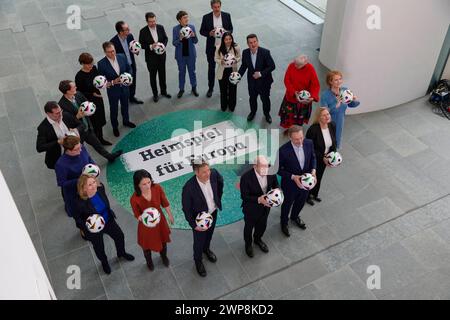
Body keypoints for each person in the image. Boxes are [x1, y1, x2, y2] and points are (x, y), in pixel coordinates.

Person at [75, 174, 135, 274]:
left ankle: (121, 253)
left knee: (119, 236)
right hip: (94, 229)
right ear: (83, 188)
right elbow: (78, 219)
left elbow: (106, 205)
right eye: (90, 185)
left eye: (94, 182)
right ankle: (104, 261)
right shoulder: (79, 202)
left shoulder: (100, 188)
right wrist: (88, 225)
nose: (94, 186)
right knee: (99, 247)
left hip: (108, 220)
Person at [58, 80, 122, 162]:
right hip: (76, 134)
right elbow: (66, 123)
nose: (76, 88)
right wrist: (77, 116)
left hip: (87, 127)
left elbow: (87, 103)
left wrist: (90, 110)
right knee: (77, 151)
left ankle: (110, 157)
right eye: (74, 87)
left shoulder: (78, 94)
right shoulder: (62, 105)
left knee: (97, 145)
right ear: (67, 91)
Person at [182, 161, 223, 277]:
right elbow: (186, 209)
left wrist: (217, 199)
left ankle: (206, 250)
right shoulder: (188, 188)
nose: (208, 173)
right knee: (199, 241)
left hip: (213, 213)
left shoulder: (214, 174)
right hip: (199, 221)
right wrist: (194, 225)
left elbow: (220, 183)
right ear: (196, 172)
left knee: (209, 235)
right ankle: (198, 261)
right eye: (204, 172)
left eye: (208, 170)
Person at [130, 170, 174, 271]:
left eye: (149, 182)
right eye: (144, 184)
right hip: (146, 224)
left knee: (163, 241)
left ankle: (164, 257)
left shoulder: (157, 188)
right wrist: (143, 218)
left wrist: (170, 215)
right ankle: (149, 262)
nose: (148, 186)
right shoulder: (134, 199)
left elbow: (165, 202)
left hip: (160, 221)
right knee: (146, 246)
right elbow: (137, 214)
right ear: (138, 185)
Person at [277, 125, 316, 237]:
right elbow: (277, 169)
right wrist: (293, 177)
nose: (300, 141)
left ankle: (294, 217)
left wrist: (313, 171)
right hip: (290, 185)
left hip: (306, 182)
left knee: (301, 201)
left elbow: (313, 157)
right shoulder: (283, 151)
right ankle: (283, 223)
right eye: (296, 139)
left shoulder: (309, 143)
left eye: (301, 138)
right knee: (287, 204)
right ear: (290, 137)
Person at [55, 135, 95, 236]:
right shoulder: (61, 164)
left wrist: (94, 166)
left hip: (88, 189)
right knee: (80, 215)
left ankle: (94, 224)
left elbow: (89, 159)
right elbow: (62, 183)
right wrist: (80, 180)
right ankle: (83, 229)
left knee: (92, 208)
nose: (80, 150)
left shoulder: (82, 148)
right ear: (68, 150)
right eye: (77, 149)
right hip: (74, 194)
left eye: (80, 147)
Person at [240, 156, 279, 258]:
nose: (265, 169)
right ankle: (248, 245)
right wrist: (259, 199)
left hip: (266, 207)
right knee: (248, 228)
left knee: (262, 225)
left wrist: (278, 195)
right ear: (254, 166)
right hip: (251, 209)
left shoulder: (270, 172)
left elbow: (276, 186)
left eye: (267, 166)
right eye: (262, 166)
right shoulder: (246, 178)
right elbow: (244, 196)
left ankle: (258, 240)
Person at [97, 41, 136, 137]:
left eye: (113, 51)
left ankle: (126, 121)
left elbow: (129, 68)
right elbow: (102, 82)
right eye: (109, 52)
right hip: (113, 91)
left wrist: (129, 77)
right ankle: (115, 127)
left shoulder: (122, 56)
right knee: (113, 109)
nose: (112, 53)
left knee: (125, 105)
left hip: (125, 88)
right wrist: (113, 82)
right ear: (105, 52)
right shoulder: (101, 64)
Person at [238, 34, 276, 124]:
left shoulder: (265, 52)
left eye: (255, 42)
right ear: (248, 44)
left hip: (264, 82)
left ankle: (267, 114)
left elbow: (272, 66)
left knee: (265, 99)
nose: (253, 44)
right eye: (251, 43)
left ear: (257, 42)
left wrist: (260, 74)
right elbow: (244, 66)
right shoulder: (245, 52)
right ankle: (253, 112)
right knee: (252, 98)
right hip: (252, 82)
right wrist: (238, 76)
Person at [75, 53, 111, 145]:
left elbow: (99, 79)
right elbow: (79, 92)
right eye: (88, 64)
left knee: (100, 118)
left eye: (91, 63)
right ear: (82, 63)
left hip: (97, 98)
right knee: (93, 121)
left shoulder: (94, 68)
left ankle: (101, 138)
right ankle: (95, 140)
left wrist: (103, 84)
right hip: (88, 101)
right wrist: (92, 93)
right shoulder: (79, 76)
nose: (91, 66)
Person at [200, 0, 233, 97]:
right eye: (215, 7)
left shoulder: (227, 15)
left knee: (226, 68)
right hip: (212, 47)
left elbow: (231, 29)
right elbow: (202, 31)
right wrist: (209, 33)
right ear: (211, 7)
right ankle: (210, 88)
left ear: (220, 6)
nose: (217, 9)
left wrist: (225, 32)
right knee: (211, 68)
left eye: (218, 7)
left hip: (224, 48)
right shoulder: (206, 17)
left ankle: (226, 88)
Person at [36, 101, 83, 170]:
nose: (61, 114)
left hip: (75, 152)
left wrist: (76, 130)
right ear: (48, 114)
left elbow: (81, 125)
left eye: (61, 111)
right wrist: (58, 142)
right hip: (59, 157)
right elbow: (40, 147)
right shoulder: (43, 128)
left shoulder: (65, 115)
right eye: (57, 113)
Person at [305, 107, 337, 205]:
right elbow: (309, 148)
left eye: (328, 114)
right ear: (319, 118)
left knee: (319, 176)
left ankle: (314, 194)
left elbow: (333, 142)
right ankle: (306, 196)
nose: (327, 117)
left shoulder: (332, 125)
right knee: (310, 177)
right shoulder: (313, 130)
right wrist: (322, 157)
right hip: (314, 159)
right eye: (324, 115)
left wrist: (332, 157)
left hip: (325, 158)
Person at [320, 70, 360, 148]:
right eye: (336, 80)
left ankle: (334, 153)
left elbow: (351, 104)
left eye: (340, 79)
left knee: (337, 139)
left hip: (340, 120)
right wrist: (336, 105)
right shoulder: (325, 95)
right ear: (330, 82)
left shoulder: (345, 90)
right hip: (329, 122)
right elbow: (323, 112)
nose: (339, 81)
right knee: (328, 141)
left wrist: (354, 99)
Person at [279, 55, 320, 129]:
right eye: (295, 63)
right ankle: (289, 127)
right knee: (288, 115)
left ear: (305, 63)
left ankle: (297, 129)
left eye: (298, 65)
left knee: (299, 118)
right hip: (291, 97)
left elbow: (315, 85)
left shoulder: (310, 69)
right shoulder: (292, 65)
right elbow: (287, 80)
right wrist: (294, 92)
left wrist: (313, 97)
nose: (295, 65)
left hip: (303, 99)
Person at [139, 12, 171, 103]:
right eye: (150, 22)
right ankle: (155, 94)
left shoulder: (160, 27)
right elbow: (141, 45)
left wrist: (163, 46)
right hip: (151, 59)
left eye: (154, 21)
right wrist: (150, 46)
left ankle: (164, 92)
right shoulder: (143, 31)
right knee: (153, 77)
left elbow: (165, 38)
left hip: (161, 57)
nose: (153, 23)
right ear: (147, 21)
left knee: (162, 75)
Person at [110, 21, 143, 104]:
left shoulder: (130, 36)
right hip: (123, 67)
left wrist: (136, 51)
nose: (129, 30)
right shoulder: (113, 42)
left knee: (133, 81)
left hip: (131, 64)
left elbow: (134, 48)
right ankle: (124, 100)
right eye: (127, 29)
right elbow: (113, 57)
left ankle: (132, 97)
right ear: (121, 32)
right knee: (124, 84)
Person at [172, 11, 199, 98]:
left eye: (187, 17)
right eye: (184, 18)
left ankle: (194, 87)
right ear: (179, 20)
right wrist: (180, 38)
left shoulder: (192, 27)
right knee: (181, 72)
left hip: (191, 55)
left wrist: (194, 36)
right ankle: (181, 89)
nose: (187, 19)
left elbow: (195, 41)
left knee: (192, 72)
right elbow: (174, 43)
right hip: (181, 56)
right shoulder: (175, 29)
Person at [214, 32, 240, 112]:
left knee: (233, 89)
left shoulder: (236, 47)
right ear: (223, 40)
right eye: (226, 39)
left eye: (230, 39)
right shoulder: (218, 48)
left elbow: (239, 57)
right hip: (223, 71)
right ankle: (224, 105)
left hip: (232, 70)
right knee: (223, 89)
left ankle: (232, 105)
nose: (228, 41)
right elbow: (216, 58)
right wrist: (220, 61)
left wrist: (236, 60)